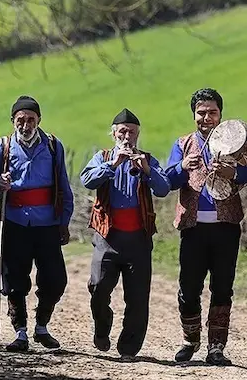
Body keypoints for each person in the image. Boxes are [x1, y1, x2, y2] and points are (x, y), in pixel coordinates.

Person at [165, 87, 247, 366]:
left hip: (226, 226)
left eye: (212, 112)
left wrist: (235, 173)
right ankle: (190, 339)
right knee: (189, 287)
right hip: (193, 228)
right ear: (193, 115)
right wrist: (182, 166)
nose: (207, 118)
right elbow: (166, 181)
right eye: (201, 113)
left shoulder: (235, 142)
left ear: (221, 115)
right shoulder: (182, 144)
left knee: (222, 288)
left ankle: (216, 346)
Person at [80, 108, 171, 360]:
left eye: (132, 132)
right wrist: (113, 164)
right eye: (122, 132)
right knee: (98, 287)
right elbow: (87, 180)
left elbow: (163, 189)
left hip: (138, 240)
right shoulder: (103, 157)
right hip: (107, 238)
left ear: (138, 135)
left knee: (138, 297)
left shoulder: (148, 160)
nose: (127, 137)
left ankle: (129, 348)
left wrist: (146, 170)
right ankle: (102, 327)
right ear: (114, 134)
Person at [0, 95, 74, 352]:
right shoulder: (1, 147)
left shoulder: (53, 146)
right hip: (14, 222)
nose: (25, 125)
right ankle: (20, 332)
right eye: (20, 120)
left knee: (56, 279)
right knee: (14, 279)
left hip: (47, 223)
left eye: (31, 120)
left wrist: (64, 221)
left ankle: (42, 326)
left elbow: (64, 187)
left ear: (39, 120)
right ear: (12, 121)